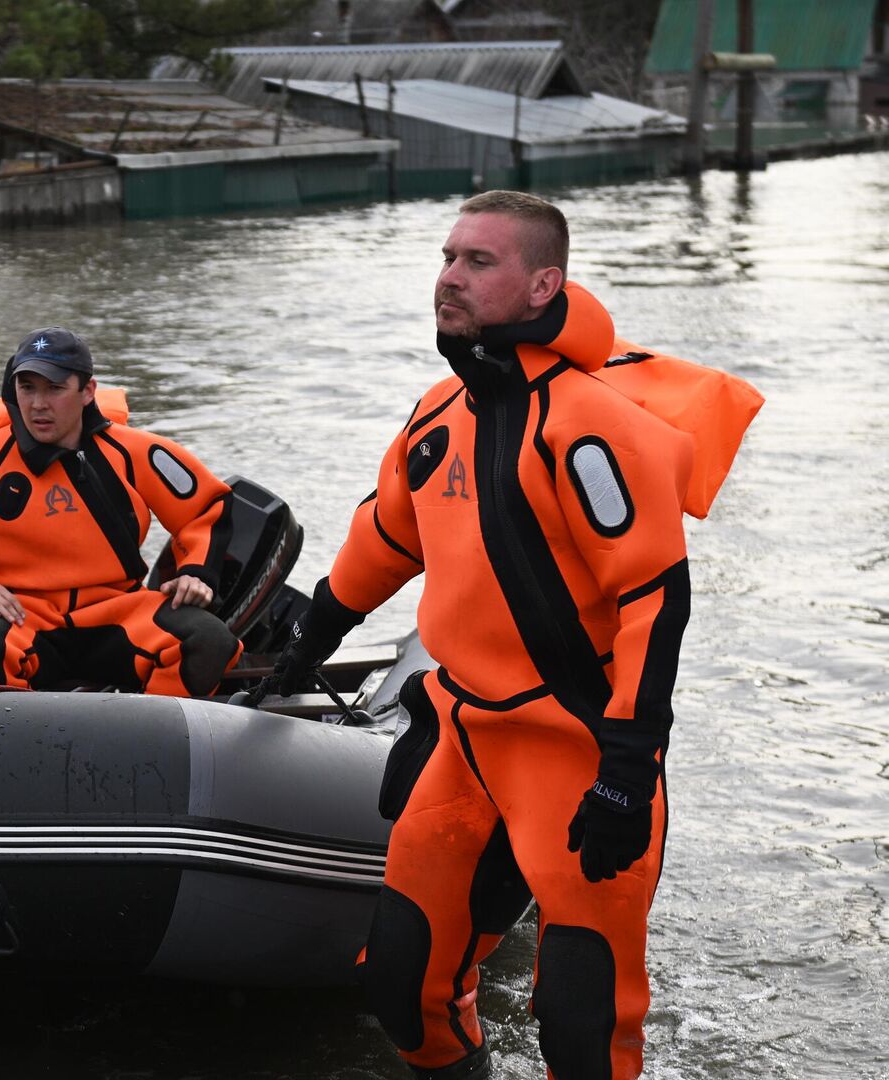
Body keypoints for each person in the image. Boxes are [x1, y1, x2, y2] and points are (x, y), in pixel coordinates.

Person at [269, 191, 753, 1080]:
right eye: (448, 258)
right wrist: (307, 641)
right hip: (461, 737)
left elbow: (655, 599)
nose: (450, 278)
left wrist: (627, 770)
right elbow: (387, 540)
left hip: (577, 751)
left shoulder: (596, 427)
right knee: (402, 995)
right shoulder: (435, 413)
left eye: (478, 262)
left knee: (581, 1030)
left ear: (543, 285)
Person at [0, 327, 242, 697]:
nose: (38, 404)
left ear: (88, 391)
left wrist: (197, 572)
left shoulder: (136, 452)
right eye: (27, 388)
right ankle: (13, 746)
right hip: (23, 615)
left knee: (208, 640)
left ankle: (154, 739)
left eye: (54, 389)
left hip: (119, 611)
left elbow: (205, 507)